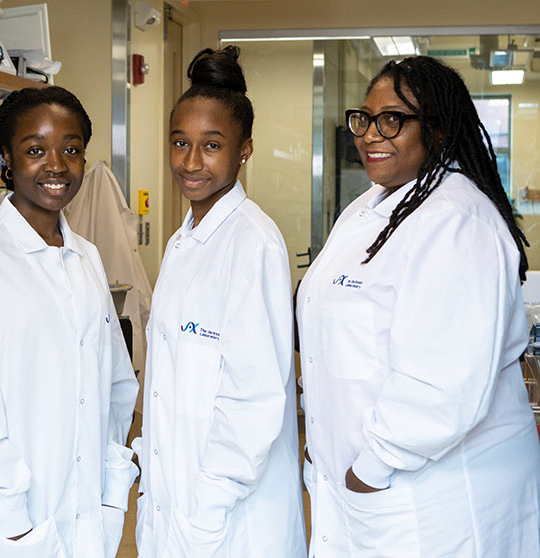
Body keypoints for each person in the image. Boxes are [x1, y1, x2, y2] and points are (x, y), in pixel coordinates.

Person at [297, 55, 540, 557]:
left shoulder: (457, 221)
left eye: (393, 120)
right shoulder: (368, 208)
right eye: (364, 119)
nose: (370, 134)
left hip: (433, 501)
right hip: (367, 493)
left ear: (437, 131)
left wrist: (370, 468)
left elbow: (441, 385)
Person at [0, 86, 139, 558]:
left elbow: (115, 388)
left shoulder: (86, 259)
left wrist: (112, 489)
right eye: (35, 150)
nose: (56, 165)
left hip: (83, 516)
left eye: (71, 150)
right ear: (7, 159)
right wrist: (14, 521)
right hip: (0, 527)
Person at [134, 46, 306, 557]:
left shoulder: (253, 242)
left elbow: (254, 396)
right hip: (181, 495)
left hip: (228, 513)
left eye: (211, 145)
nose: (190, 162)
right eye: (180, 143)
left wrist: (208, 506)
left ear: (244, 150)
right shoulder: (183, 239)